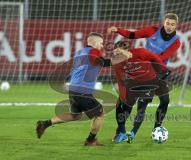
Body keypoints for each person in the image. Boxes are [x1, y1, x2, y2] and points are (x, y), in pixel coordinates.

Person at [35, 32, 130, 146]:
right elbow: (103, 62)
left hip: (74, 88)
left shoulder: (79, 52)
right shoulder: (94, 51)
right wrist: (122, 57)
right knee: (99, 114)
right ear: (94, 43)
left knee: (76, 115)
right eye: (100, 43)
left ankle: (45, 123)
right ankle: (90, 140)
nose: (101, 46)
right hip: (83, 90)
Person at [108, 13, 181, 143]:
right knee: (132, 104)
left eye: (172, 24)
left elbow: (163, 56)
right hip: (143, 71)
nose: (169, 26)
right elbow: (132, 35)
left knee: (164, 100)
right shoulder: (153, 30)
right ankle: (121, 132)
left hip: (158, 72)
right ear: (163, 22)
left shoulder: (176, 42)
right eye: (168, 23)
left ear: (176, 26)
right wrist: (117, 29)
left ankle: (157, 128)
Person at [112, 40, 169, 143]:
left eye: (120, 53)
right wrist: (122, 96)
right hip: (133, 82)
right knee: (124, 106)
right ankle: (121, 131)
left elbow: (154, 57)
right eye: (116, 53)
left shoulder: (140, 52)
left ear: (126, 51)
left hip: (149, 82)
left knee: (141, 108)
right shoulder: (117, 63)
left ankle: (133, 133)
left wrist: (162, 69)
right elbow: (120, 81)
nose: (117, 55)